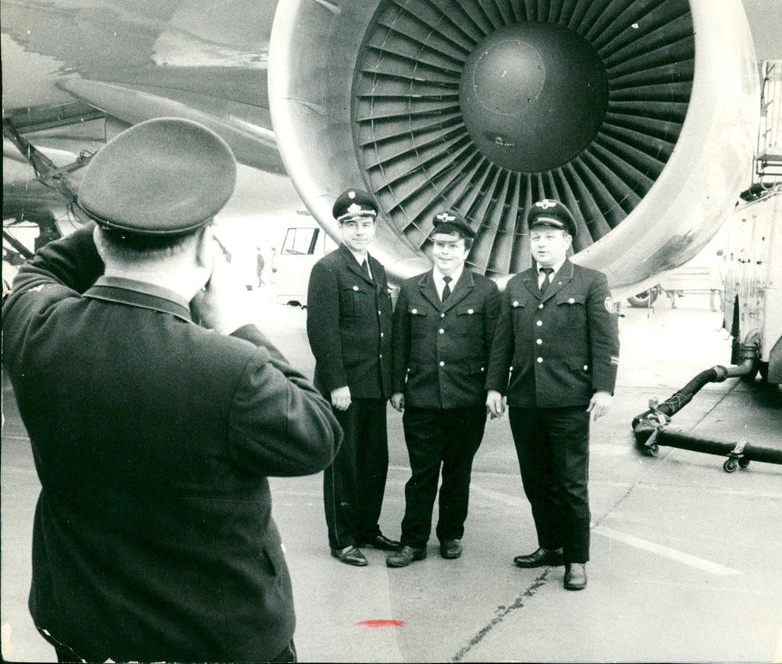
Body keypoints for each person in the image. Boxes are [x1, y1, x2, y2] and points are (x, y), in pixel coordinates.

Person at [2, 118, 343, 663]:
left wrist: (119, 215)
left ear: (101, 234)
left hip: (85, 629)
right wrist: (236, 324)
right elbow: (318, 436)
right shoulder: (232, 368)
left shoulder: (34, 326)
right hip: (214, 640)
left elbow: (41, 270)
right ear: (208, 245)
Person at [485, 199, 619, 591]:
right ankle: (550, 545)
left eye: (550, 237)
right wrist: (495, 385)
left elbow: (605, 339)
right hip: (525, 400)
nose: (542, 244)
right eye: (537, 237)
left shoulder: (590, 282)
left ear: (566, 241)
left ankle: (576, 559)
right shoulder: (516, 284)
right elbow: (502, 343)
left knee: (571, 482)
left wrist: (604, 389)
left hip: (569, 400)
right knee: (536, 481)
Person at [387, 210, 500, 568]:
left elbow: (496, 346)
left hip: (467, 400)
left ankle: (451, 535)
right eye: (439, 244)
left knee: (457, 471)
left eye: (452, 246)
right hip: (422, 397)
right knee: (421, 474)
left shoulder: (483, 290)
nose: (445, 252)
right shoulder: (411, 288)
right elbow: (399, 342)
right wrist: (396, 386)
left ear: (466, 250)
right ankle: (413, 541)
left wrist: (493, 389)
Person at [306, 189, 400, 566]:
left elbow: (385, 331)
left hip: (374, 385)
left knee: (375, 461)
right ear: (340, 228)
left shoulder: (375, 268)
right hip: (346, 387)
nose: (359, 230)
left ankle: (367, 528)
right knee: (343, 465)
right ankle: (342, 538)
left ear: (374, 226)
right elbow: (322, 331)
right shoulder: (328, 270)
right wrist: (336, 383)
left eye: (365, 223)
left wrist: (393, 385)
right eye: (351, 224)